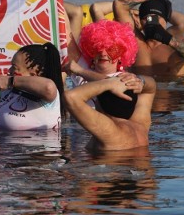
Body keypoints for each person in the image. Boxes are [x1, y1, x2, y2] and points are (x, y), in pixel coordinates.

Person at [64, 19, 157, 151]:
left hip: (97, 161)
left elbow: (71, 97)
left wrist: (82, 72)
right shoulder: (140, 125)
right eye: (97, 48)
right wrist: (142, 81)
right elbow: (151, 89)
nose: (103, 53)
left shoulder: (108, 130)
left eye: (111, 49)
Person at [0, 43, 65, 131]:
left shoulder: (48, 97)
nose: (9, 71)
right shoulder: (11, 92)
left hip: (34, 157)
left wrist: (10, 81)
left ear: (35, 72)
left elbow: (48, 87)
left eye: (14, 68)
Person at [112, 0, 184, 78]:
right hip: (143, 92)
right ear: (140, 21)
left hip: (174, 93)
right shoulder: (135, 40)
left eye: (157, 17)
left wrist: (168, 39)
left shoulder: (179, 43)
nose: (151, 22)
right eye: (146, 18)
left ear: (166, 19)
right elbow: (119, 4)